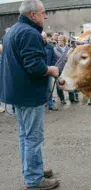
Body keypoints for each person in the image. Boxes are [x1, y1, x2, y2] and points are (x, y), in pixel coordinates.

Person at [0, 0, 60, 189]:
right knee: (33, 137)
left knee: (25, 136)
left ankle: (33, 169)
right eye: (43, 13)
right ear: (32, 15)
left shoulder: (14, 32)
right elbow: (35, 67)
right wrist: (51, 69)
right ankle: (34, 179)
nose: (45, 16)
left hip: (17, 94)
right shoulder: (28, 33)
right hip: (28, 95)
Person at [54, 35, 77, 104]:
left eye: (60, 40)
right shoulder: (55, 49)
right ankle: (62, 99)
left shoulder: (69, 49)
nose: (58, 41)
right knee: (59, 85)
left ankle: (72, 99)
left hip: (67, 69)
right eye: (58, 40)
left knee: (69, 83)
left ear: (64, 41)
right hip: (59, 69)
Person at [42, 31, 58, 111]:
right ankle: (41, 104)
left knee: (49, 89)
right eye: (42, 38)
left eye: (45, 38)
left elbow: (54, 59)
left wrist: (51, 67)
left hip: (48, 71)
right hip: (38, 72)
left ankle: (50, 104)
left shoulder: (50, 47)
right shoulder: (35, 47)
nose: (44, 39)